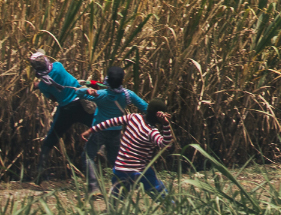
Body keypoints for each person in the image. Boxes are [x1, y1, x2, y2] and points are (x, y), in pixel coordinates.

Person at [79, 100, 173, 198]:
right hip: (138, 171)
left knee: (116, 199)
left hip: (120, 169)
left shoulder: (134, 117)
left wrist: (90, 130)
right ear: (159, 116)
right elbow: (166, 145)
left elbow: (110, 122)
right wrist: (165, 124)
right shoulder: (152, 132)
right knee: (161, 195)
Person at [27, 51, 94, 187]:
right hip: (81, 105)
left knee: (50, 141)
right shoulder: (58, 66)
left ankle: (39, 174)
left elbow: (53, 97)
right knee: (101, 127)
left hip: (66, 111)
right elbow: (56, 76)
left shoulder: (44, 85)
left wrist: (38, 85)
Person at [84, 65, 148, 199]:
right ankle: (126, 185)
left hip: (99, 131)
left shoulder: (101, 95)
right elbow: (145, 107)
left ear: (108, 79)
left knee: (88, 155)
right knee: (116, 162)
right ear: (122, 80)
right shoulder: (127, 94)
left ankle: (94, 187)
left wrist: (88, 89)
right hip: (116, 132)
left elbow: (80, 94)